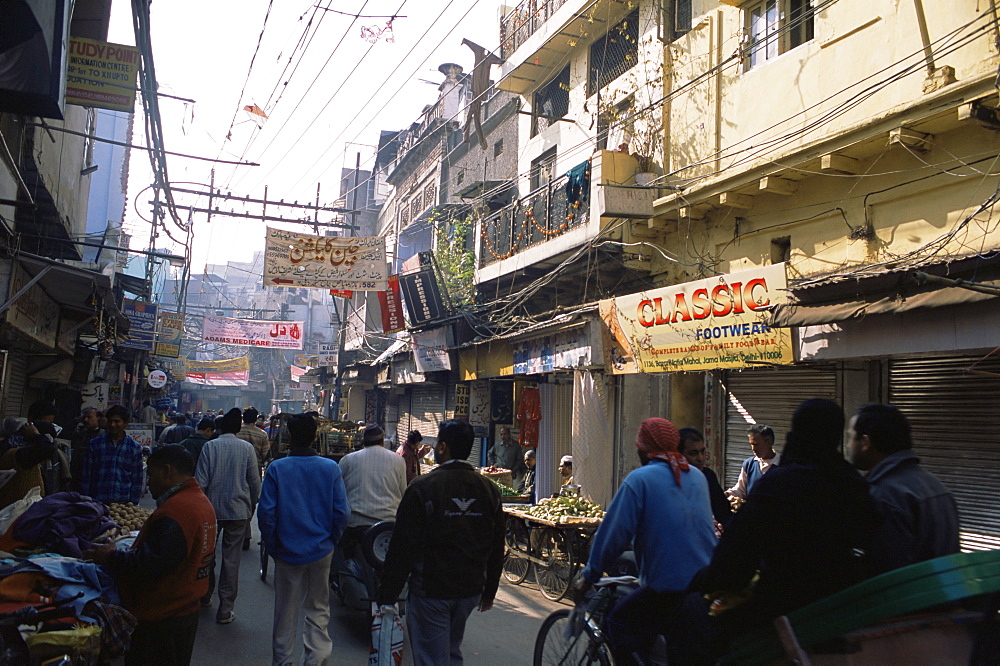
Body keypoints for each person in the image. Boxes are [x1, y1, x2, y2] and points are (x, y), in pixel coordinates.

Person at [685, 399, 878, 657]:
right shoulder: (854, 486)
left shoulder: (779, 484)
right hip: (845, 609)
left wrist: (705, 581)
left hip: (783, 610)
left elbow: (735, 558)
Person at [573, 418, 717, 663]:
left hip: (667, 588)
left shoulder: (640, 479)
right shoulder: (696, 476)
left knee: (618, 621)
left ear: (642, 449)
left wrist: (589, 575)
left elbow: (614, 535)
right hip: (706, 581)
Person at [376, 420, 506, 666]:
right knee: (449, 650)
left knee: (431, 658)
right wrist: (489, 590)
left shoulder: (423, 487)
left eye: (436, 443)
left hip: (432, 591)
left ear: (443, 447)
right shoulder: (488, 489)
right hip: (469, 590)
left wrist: (388, 593)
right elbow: (497, 542)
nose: (433, 447)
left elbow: (403, 545)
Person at [85, 445, 216, 666]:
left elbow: (152, 564)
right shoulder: (200, 502)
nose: (148, 482)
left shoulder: (177, 510)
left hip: (162, 616)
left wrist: (111, 556)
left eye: (151, 474)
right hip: (183, 609)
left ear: (167, 471)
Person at [258, 413, 350, 666]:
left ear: (289, 436)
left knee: (285, 611)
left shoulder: (278, 468)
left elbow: (266, 514)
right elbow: (341, 513)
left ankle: (282, 661)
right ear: (315, 437)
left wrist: (274, 545)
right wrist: (331, 540)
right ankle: (316, 659)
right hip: (321, 550)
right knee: (318, 608)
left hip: (287, 552)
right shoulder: (330, 468)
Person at [847, 403, 960, 573]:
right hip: (945, 596)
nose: (848, 446)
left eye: (850, 437)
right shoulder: (937, 488)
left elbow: (887, 573)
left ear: (865, 442)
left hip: (910, 598)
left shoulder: (883, 496)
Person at [195, 407, 261, 624]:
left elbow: (200, 483)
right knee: (231, 562)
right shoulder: (246, 448)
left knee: (207, 555)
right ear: (238, 428)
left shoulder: (210, 447)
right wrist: (253, 504)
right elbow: (254, 482)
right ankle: (225, 610)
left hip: (211, 510)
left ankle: (205, 595)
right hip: (238, 510)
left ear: (220, 427)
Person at [338, 425, 406, 552]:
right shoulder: (399, 460)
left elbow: (338, 495)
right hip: (388, 525)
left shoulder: (347, 460)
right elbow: (403, 494)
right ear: (382, 441)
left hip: (355, 526)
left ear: (364, 442)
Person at [80, 405, 144, 504]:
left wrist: (133, 504)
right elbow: (86, 476)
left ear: (125, 423)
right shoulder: (94, 444)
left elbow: (137, 480)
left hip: (123, 505)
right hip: (97, 502)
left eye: (117, 421)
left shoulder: (134, 448)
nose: (112, 424)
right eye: (110, 421)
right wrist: (86, 501)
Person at [678, 427, 732, 526]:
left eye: (702, 452)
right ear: (679, 455)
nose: (700, 458)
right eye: (693, 454)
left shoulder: (708, 476)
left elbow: (723, 513)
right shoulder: (668, 480)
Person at [0, 418, 57, 509]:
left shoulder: (13, 447)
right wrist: (36, 434)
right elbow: (48, 449)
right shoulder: (19, 454)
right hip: (18, 510)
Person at [726, 424, 779, 500]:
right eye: (751, 444)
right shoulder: (749, 464)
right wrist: (726, 494)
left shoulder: (783, 465)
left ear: (769, 443)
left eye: (756, 444)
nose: (753, 449)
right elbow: (741, 490)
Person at [70, 407, 103, 489]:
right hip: (78, 475)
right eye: (85, 417)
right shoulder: (81, 434)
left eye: (89, 417)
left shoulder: (103, 435)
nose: (86, 420)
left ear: (98, 418)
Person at [239, 407, 270, 475]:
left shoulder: (236, 431)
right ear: (255, 419)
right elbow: (265, 455)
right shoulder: (262, 434)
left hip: (238, 467)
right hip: (256, 468)